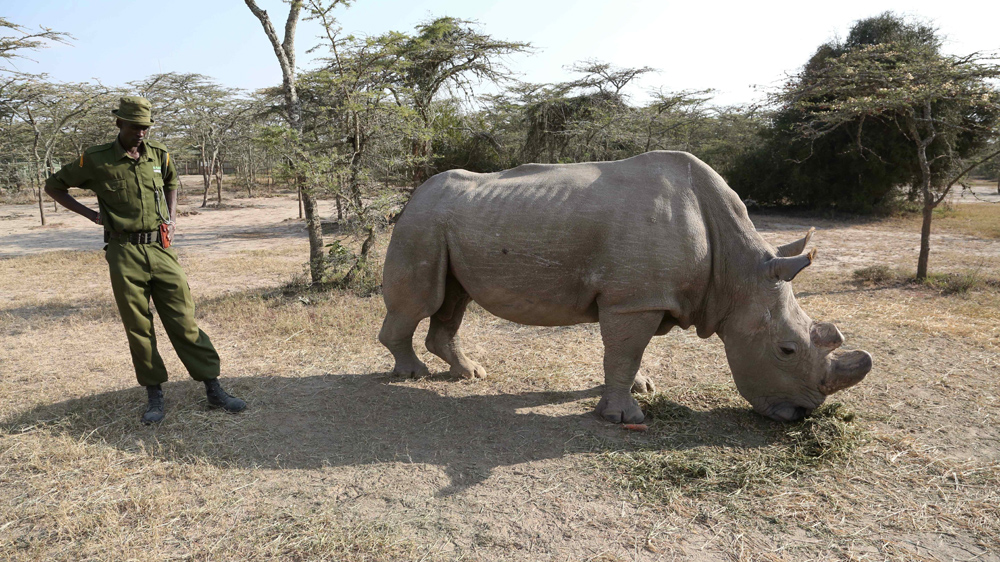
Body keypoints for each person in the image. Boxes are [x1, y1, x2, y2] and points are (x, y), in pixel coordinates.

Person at [44, 96, 246, 424]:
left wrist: (172, 217)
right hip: (124, 251)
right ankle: (154, 393)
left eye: (146, 127)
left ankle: (213, 388)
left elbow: (171, 183)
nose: (141, 133)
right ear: (119, 124)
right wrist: (93, 216)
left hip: (160, 249)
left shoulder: (159, 155)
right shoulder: (95, 160)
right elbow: (54, 186)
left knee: (183, 317)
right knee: (138, 326)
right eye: (136, 126)